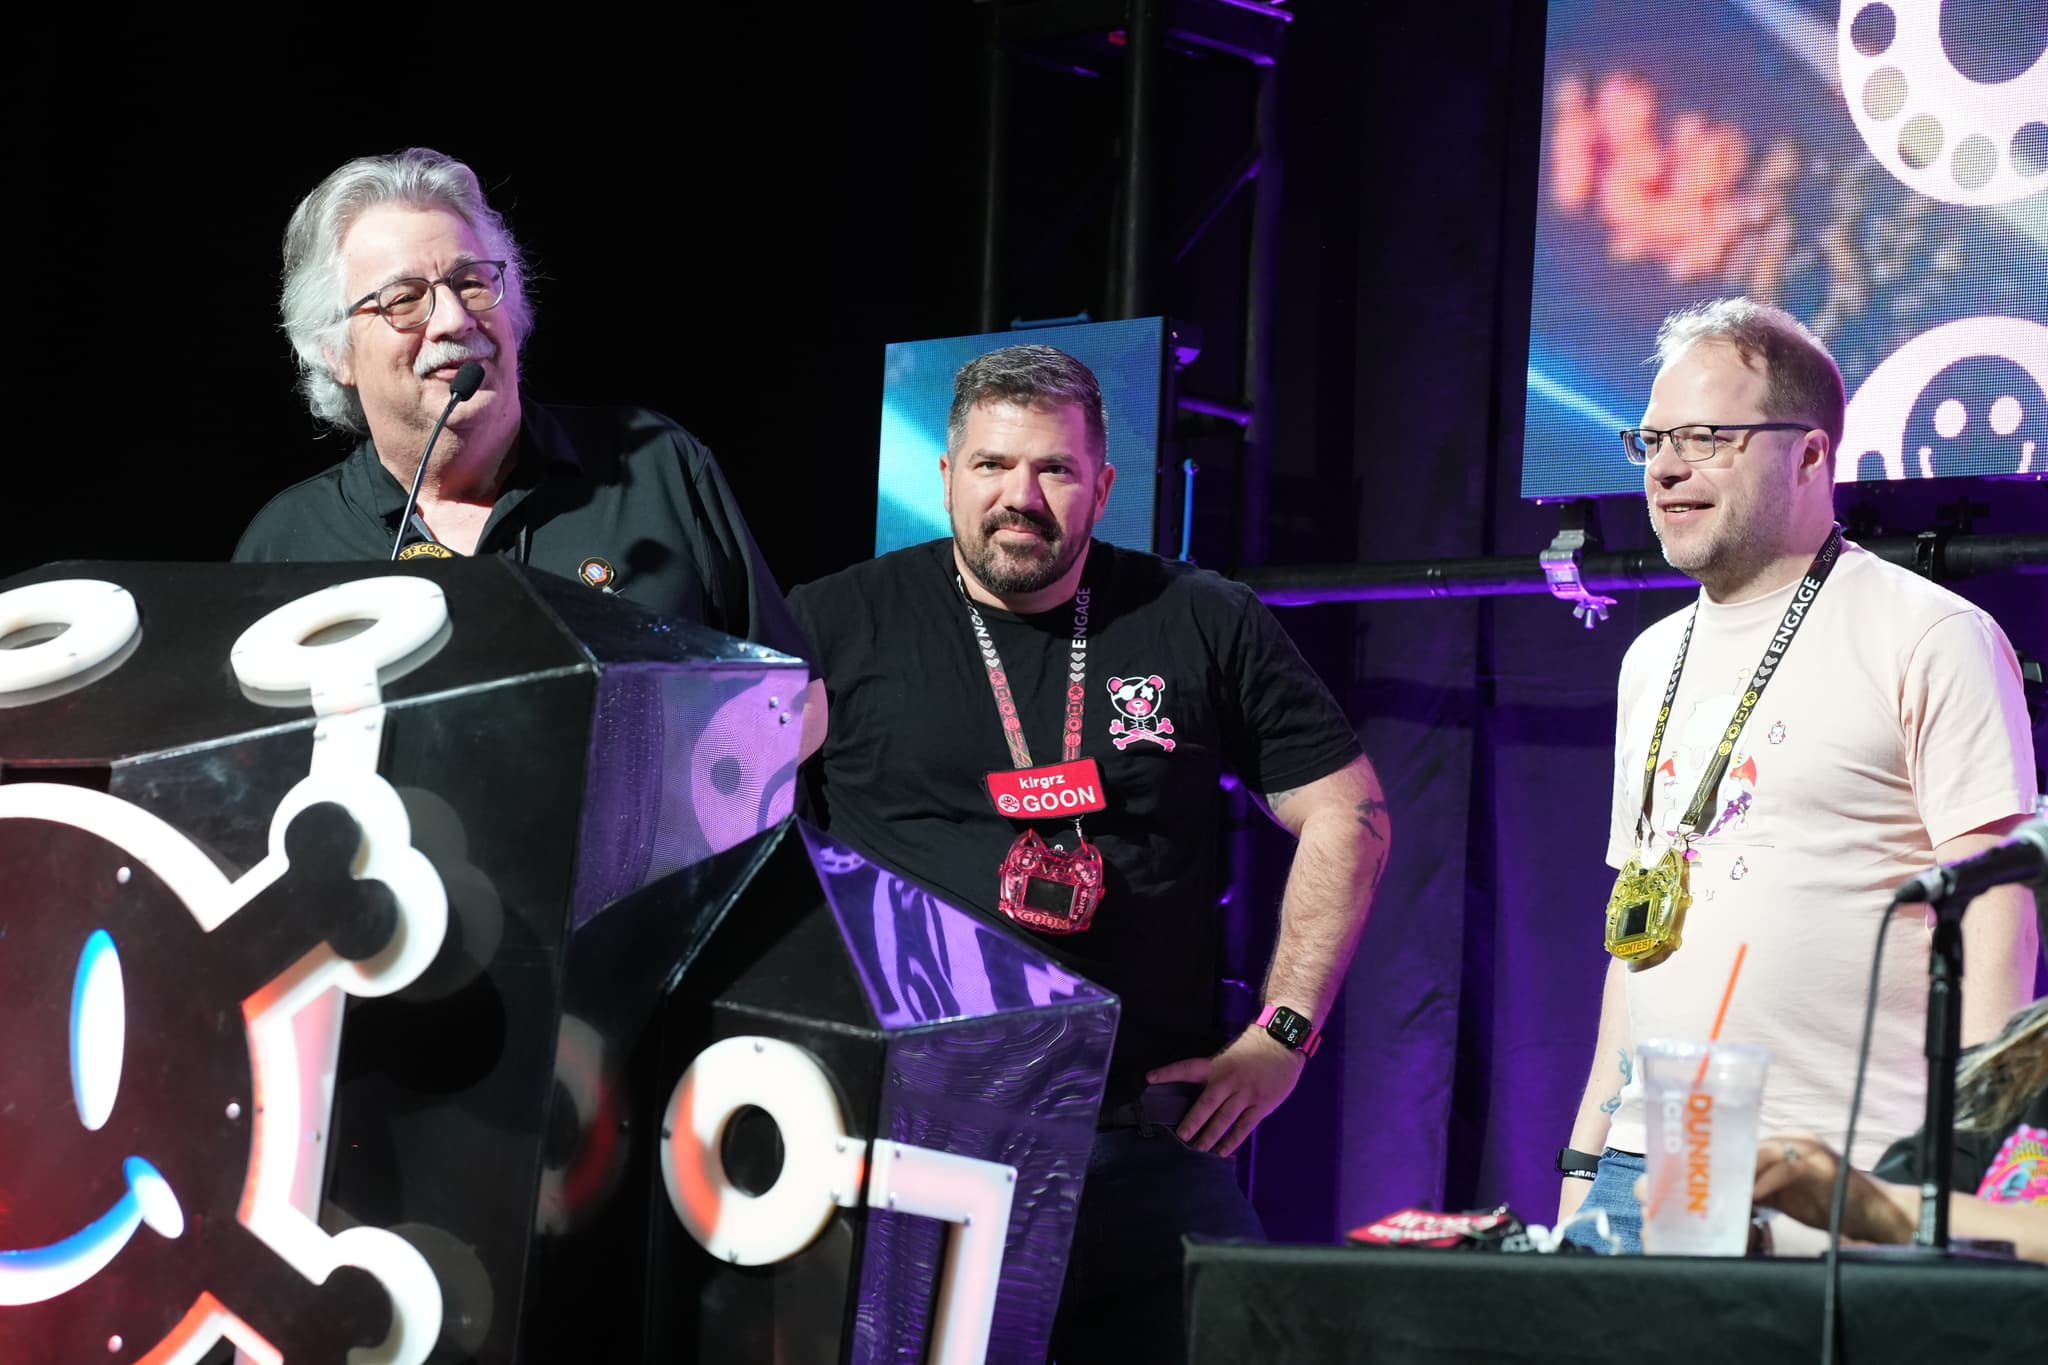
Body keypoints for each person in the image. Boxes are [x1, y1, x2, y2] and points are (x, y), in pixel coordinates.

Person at [789, 344, 1387, 1362]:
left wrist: (1282, 1034)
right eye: (990, 466)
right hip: (911, 1137)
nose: (1019, 498)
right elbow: (733, 829)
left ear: (1102, 484)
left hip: (1138, 1138)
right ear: (945, 475)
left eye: (1053, 470)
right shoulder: (834, 623)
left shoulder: (1196, 617)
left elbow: (1351, 814)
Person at [1556, 297, 2039, 1253]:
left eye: (1704, 437)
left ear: (1812, 455)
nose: (1664, 468)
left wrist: (1956, 1177)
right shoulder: (1649, 658)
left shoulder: (1930, 634)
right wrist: (1583, 1162)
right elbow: (1639, 928)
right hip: (1645, 1164)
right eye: (1650, 440)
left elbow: (1998, 909)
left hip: (1841, 1172)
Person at [234, 147, 823, 753]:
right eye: (404, 298)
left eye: (470, 281)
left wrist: (659, 815)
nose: (453, 318)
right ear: (335, 353)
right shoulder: (287, 543)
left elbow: (797, 702)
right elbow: (243, 763)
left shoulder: (655, 468)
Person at [1750, 995, 2048, 1263]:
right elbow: (1884, 1224)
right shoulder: (2028, 1052)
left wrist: (1878, 1207)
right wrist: (1759, 1234)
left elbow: (1884, 1210)